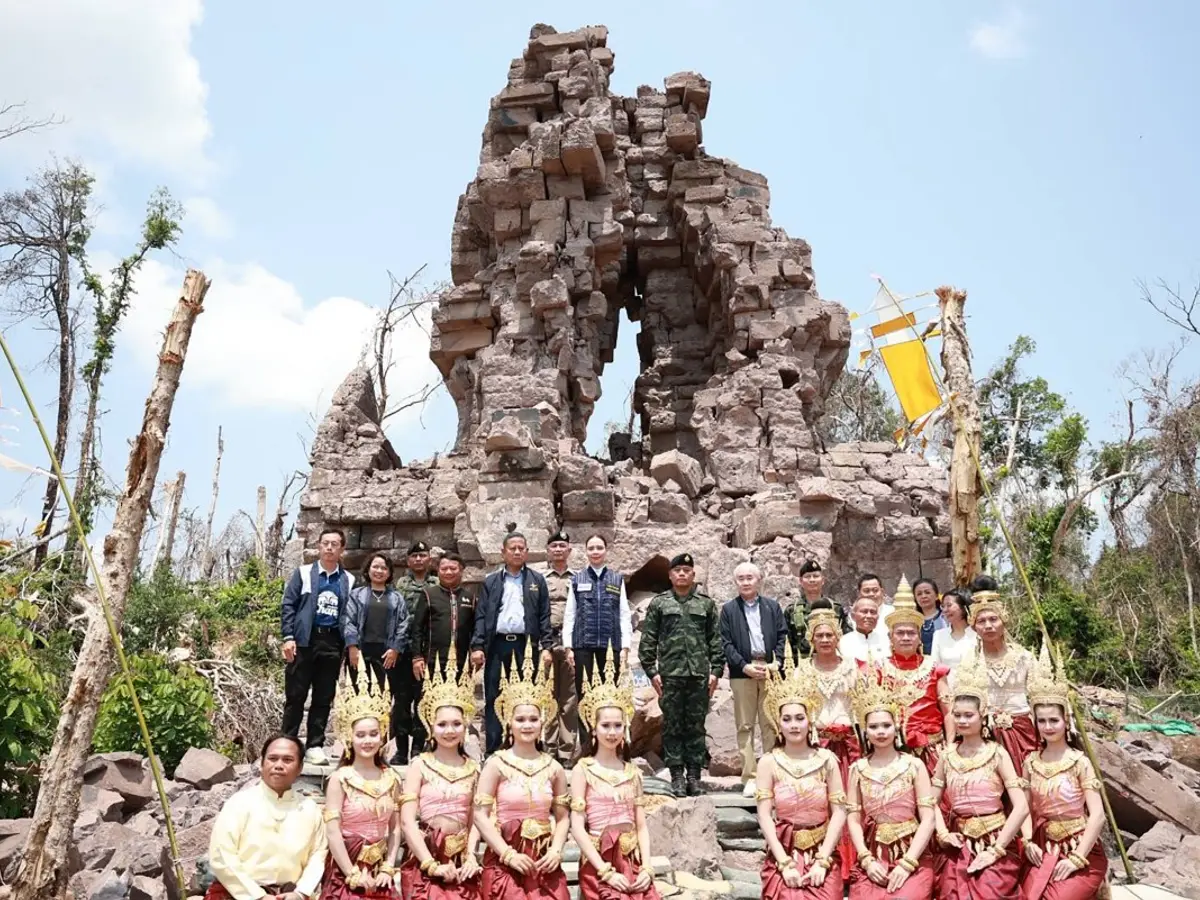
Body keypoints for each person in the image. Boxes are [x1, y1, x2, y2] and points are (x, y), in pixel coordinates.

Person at [473, 644, 570, 900]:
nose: (527, 725)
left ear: (543, 721)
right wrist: (508, 854)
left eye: (533, 719)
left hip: (543, 861)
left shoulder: (554, 768)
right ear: (508, 722)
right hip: (505, 861)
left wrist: (556, 851)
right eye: (520, 719)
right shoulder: (496, 764)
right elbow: (480, 816)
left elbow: (562, 818)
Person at [754, 643, 847, 900]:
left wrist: (822, 860)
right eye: (787, 719)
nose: (794, 725)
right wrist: (784, 863)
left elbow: (839, 813)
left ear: (810, 721)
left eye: (799, 718)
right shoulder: (768, 762)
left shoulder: (827, 759)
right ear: (777, 723)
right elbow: (764, 816)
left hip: (822, 850)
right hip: (784, 851)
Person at [932, 656, 1028, 900]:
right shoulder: (947, 755)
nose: (962, 721)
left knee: (989, 893)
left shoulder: (997, 753)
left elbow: (1021, 807)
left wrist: (996, 851)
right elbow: (929, 803)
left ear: (982, 716)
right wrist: (943, 834)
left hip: (995, 841)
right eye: (957, 715)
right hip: (958, 843)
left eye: (968, 715)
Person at [570, 644, 661, 900]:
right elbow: (577, 827)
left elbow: (641, 826)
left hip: (632, 860)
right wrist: (605, 872)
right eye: (606, 725)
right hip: (600, 863)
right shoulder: (583, 769)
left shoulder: (633, 772)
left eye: (618, 725)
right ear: (593, 728)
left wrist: (647, 866)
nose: (612, 732)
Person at [1020, 645, 1108, 900]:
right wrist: (1027, 841)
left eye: (1053, 721)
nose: (1048, 727)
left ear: (1065, 721)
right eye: (1042, 721)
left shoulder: (1079, 762)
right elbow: (1024, 809)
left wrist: (1077, 858)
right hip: (1043, 847)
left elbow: (1098, 816)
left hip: (1081, 850)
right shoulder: (1030, 762)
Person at [399, 644, 483, 900]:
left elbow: (475, 819)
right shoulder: (420, 765)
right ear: (430, 726)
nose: (449, 731)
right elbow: (406, 821)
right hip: (424, 859)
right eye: (442, 724)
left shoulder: (473, 768)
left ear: (465, 726)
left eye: (456, 724)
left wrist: (469, 855)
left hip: (460, 861)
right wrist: (430, 864)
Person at [638, 552, 724, 797]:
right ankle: (676, 775)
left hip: (698, 675)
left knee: (696, 726)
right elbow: (648, 640)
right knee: (673, 726)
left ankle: (694, 776)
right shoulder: (660, 603)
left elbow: (715, 640)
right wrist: (652, 672)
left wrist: (716, 671)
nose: (682, 574)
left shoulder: (705, 604)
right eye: (678, 570)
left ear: (693, 574)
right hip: (670, 676)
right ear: (670, 575)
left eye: (687, 570)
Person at [845, 676, 936, 900]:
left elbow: (929, 818)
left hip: (912, 853)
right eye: (873, 727)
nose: (881, 732)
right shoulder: (857, 769)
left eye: (886, 725)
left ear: (897, 727)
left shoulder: (914, 765)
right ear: (864, 731)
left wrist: (907, 864)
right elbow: (853, 820)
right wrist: (866, 860)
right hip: (874, 853)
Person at [207, 733, 328, 900]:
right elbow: (222, 855)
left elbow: (318, 854)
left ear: (300, 768)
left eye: (287, 760)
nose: (279, 765)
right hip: (240, 894)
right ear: (262, 764)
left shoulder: (310, 809)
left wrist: (301, 893)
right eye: (273, 758)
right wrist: (257, 896)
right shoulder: (240, 803)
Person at [470, 532, 554, 756]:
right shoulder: (491, 582)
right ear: (503, 552)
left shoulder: (537, 581)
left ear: (526, 552)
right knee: (494, 696)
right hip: (497, 646)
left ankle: (526, 747)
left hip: (526, 647)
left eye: (521, 548)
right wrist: (477, 646)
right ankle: (494, 748)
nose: (517, 552)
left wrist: (546, 647)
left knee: (526, 697)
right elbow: (481, 615)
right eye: (512, 548)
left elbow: (544, 616)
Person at [282, 527, 356, 765]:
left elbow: (351, 614)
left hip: (332, 642)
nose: (329, 548)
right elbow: (289, 605)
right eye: (325, 543)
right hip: (304, 640)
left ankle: (314, 744)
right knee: (296, 694)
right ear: (319, 546)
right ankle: (288, 742)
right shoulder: (304, 573)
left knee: (324, 696)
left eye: (335, 544)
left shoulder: (349, 580)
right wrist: (288, 637)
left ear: (342, 549)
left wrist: (351, 644)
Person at [321, 681, 402, 899]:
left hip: (379, 871)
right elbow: (333, 831)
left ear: (382, 735)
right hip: (345, 869)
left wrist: (388, 866)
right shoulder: (340, 779)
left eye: (373, 734)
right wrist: (351, 873)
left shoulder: (391, 778)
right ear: (350, 738)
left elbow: (395, 828)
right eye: (361, 735)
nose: (368, 740)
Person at [797, 602, 859, 878]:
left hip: (848, 745)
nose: (824, 640)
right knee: (820, 803)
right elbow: (798, 709)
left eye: (829, 635)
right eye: (819, 636)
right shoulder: (802, 670)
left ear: (837, 637)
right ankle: (824, 862)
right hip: (817, 746)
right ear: (811, 639)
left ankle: (853, 864)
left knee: (850, 801)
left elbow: (859, 706)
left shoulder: (851, 668)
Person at [866, 577, 951, 776]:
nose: (906, 637)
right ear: (890, 637)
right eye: (900, 633)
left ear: (919, 637)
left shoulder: (935, 667)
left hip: (934, 748)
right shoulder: (879, 669)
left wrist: (951, 746)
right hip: (893, 750)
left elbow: (948, 711)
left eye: (911, 633)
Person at [719, 561, 788, 798]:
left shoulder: (772, 607)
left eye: (750, 577)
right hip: (743, 672)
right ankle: (749, 776)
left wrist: (777, 662)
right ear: (735, 582)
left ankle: (770, 775)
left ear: (759, 580)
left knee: (770, 723)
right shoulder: (729, 610)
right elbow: (725, 643)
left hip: (770, 671)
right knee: (745, 726)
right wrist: (743, 666)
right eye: (741, 578)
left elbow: (782, 635)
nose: (746, 582)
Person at [961, 578, 1038, 773]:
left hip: (1023, 730)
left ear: (1004, 621)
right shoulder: (970, 661)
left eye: (993, 619)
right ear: (973, 627)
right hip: (986, 732)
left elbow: (1039, 699)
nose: (988, 626)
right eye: (981, 621)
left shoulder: (1024, 657)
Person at [563, 533, 632, 751]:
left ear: (606, 551)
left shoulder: (616, 579)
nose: (595, 551)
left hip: (611, 649)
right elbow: (570, 615)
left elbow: (623, 614)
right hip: (584, 646)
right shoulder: (577, 579)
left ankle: (610, 748)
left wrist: (625, 647)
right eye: (591, 548)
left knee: (609, 697)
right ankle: (587, 749)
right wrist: (568, 646)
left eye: (599, 547)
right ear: (586, 551)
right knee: (585, 698)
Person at [409, 552, 477, 764]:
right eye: (444, 568)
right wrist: (416, 657)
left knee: (459, 705)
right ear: (438, 571)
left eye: (453, 568)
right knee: (425, 704)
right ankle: (419, 747)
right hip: (431, 662)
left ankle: (456, 747)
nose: (448, 572)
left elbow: (476, 630)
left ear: (461, 571)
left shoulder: (470, 598)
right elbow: (416, 629)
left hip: (461, 664)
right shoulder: (428, 594)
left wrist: (477, 651)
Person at [343, 554, 409, 736]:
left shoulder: (396, 598)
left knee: (384, 697)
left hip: (386, 654)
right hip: (360, 652)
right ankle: (355, 741)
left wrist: (395, 648)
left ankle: (382, 742)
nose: (379, 571)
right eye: (375, 567)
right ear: (368, 569)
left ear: (389, 573)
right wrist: (352, 647)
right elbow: (349, 621)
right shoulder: (357, 595)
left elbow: (404, 624)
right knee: (358, 697)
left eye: (383, 568)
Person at [393, 541, 441, 765]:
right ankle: (401, 749)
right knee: (401, 702)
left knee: (424, 701)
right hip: (404, 650)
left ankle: (418, 748)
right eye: (415, 556)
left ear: (429, 559)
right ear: (408, 561)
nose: (419, 560)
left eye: (423, 555)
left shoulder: (437, 583)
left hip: (428, 650)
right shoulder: (401, 585)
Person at [540, 529, 579, 763]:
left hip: (570, 643)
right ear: (548, 551)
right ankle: (548, 748)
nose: (558, 550)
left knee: (568, 699)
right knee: (548, 696)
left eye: (562, 546)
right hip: (546, 642)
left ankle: (566, 751)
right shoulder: (540, 579)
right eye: (553, 546)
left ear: (569, 550)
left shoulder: (579, 578)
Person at [788, 560, 850, 658]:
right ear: (801, 581)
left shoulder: (835, 608)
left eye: (816, 576)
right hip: (802, 663)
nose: (812, 580)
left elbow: (846, 637)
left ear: (823, 580)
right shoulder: (792, 610)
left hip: (831, 661)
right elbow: (787, 641)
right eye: (808, 576)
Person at [930, 590, 975, 670]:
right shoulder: (939, 635)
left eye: (949, 605)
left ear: (964, 607)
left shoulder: (977, 633)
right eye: (943, 606)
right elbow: (935, 667)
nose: (945, 610)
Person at [838, 597, 888, 664]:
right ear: (853, 616)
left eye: (873, 612)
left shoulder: (887, 641)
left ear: (878, 617)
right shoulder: (843, 642)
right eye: (864, 611)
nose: (869, 616)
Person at [911, 579, 945, 656]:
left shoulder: (945, 617)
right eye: (919, 594)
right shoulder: (914, 621)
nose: (923, 596)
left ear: (936, 596)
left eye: (927, 592)